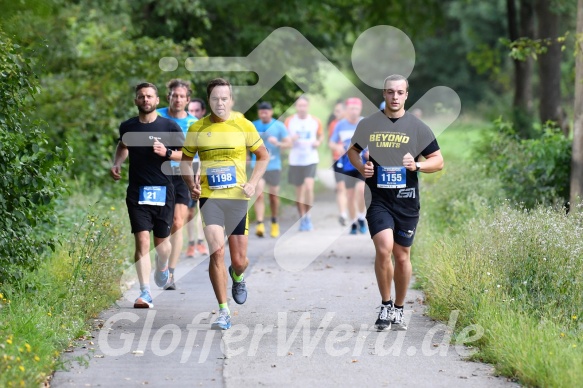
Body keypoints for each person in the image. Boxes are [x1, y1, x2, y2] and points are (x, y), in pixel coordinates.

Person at [347, 74, 444, 331]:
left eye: (400, 92)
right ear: (384, 94)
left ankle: (399, 309)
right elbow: (353, 151)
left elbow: (438, 160)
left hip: (407, 200)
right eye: (390, 92)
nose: (395, 97)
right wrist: (362, 168)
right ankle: (386, 304)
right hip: (378, 198)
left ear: (406, 95)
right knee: (384, 248)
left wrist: (418, 164)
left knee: (401, 256)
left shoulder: (418, 127)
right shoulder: (369, 124)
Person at [181, 78, 269, 330]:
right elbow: (186, 160)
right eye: (215, 99)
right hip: (210, 198)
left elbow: (263, 156)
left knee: (239, 259)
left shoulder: (243, 124)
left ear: (231, 100)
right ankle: (223, 310)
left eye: (224, 98)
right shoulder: (197, 128)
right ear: (208, 101)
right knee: (217, 252)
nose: (220, 103)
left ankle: (238, 275)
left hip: (238, 198)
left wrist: (252, 183)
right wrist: (190, 184)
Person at [110, 82, 185, 308]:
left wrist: (168, 152)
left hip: (164, 190)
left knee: (162, 243)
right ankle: (145, 293)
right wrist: (117, 163)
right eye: (141, 96)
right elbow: (123, 146)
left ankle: (163, 265)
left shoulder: (169, 127)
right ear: (136, 101)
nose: (145, 100)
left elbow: (187, 155)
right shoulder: (128, 126)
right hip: (137, 192)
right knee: (142, 240)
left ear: (157, 100)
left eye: (149, 96)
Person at [156, 79, 198, 289]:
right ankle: (162, 261)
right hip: (157, 176)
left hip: (182, 175)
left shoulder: (193, 124)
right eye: (175, 95)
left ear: (188, 100)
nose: (178, 99)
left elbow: (194, 155)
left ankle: (170, 274)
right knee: (161, 224)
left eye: (182, 96)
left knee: (178, 222)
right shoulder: (158, 116)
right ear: (168, 97)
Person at [251, 102, 291, 238]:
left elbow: (289, 143)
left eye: (266, 111)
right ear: (259, 113)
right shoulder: (253, 125)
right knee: (259, 193)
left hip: (274, 166)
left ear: (271, 112)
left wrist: (278, 143)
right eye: (261, 112)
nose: (264, 113)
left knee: (273, 197)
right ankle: (260, 223)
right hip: (257, 166)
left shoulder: (279, 126)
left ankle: (274, 221)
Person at [329, 97, 367, 235]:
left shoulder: (365, 123)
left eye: (356, 108)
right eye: (351, 109)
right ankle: (353, 222)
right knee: (349, 195)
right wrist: (338, 146)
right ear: (346, 110)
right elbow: (331, 142)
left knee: (361, 190)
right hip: (347, 164)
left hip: (362, 163)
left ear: (360, 109)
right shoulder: (340, 125)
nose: (354, 111)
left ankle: (362, 217)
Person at [285, 95, 323, 231]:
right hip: (295, 160)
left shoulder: (315, 121)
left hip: (310, 159)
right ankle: (302, 218)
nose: (301, 108)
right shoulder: (289, 121)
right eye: (299, 105)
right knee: (299, 193)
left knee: (309, 187)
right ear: (296, 106)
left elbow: (321, 135)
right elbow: (285, 142)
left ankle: (309, 216)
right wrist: (291, 139)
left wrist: (318, 142)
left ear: (308, 106)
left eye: (304, 105)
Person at [185, 98, 208, 257]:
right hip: (187, 168)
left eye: (196, 111)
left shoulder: (207, 127)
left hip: (203, 168)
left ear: (202, 111)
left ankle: (201, 242)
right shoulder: (185, 126)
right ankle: (191, 243)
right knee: (188, 210)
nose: (193, 114)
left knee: (202, 207)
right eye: (190, 111)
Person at [327, 100, 348, 226]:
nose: (336, 114)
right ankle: (343, 214)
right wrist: (336, 148)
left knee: (353, 190)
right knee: (340, 188)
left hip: (353, 161)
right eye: (335, 111)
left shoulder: (354, 123)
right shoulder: (333, 124)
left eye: (338, 111)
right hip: (338, 159)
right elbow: (331, 143)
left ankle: (358, 215)